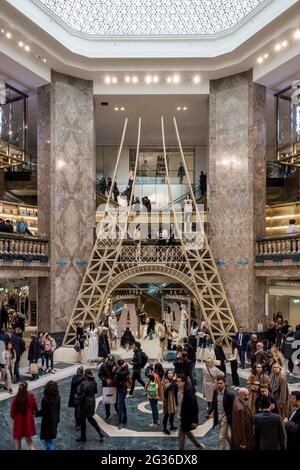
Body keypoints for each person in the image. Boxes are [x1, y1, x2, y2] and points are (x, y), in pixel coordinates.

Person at [176, 374, 205, 450]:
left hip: (186, 417)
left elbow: (195, 407)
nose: (177, 383)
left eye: (178, 381)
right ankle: (198, 446)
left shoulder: (189, 392)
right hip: (181, 414)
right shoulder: (178, 388)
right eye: (176, 381)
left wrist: (195, 421)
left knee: (181, 433)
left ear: (184, 382)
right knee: (187, 431)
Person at [75, 369, 105, 443]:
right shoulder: (94, 382)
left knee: (83, 420)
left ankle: (83, 437)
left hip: (84, 402)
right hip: (92, 401)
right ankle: (100, 433)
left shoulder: (83, 383)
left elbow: (79, 393)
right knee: (90, 418)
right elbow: (95, 391)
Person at [208, 376, 235, 450]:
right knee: (226, 434)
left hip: (225, 418)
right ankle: (233, 446)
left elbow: (233, 408)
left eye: (221, 383)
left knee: (221, 437)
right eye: (218, 383)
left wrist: (229, 418)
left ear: (224, 383)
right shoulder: (215, 391)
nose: (219, 385)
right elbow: (213, 403)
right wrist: (209, 412)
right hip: (219, 417)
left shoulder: (230, 394)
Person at [10, 381, 37, 450]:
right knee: (29, 441)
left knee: (18, 442)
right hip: (28, 421)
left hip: (18, 422)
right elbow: (34, 407)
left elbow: (12, 413)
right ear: (26, 388)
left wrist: (15, 418)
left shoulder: (15, 399)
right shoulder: (31, 396)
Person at [36, 381, 60, 450]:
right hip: (55, 421)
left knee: (48, 442)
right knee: (50, 440)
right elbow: (58, 409)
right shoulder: (58, 397)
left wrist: (36, 413)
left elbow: (43, 412)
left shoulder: (45, 399)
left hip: (47, 423)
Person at [98, 354, 117, 422]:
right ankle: (107, 415)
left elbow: (118, 374)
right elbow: (100, 374)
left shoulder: (116, 366)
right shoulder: (103, 366)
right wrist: (105, 380)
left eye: (112, 360)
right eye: (110, 360)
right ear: (108, 360)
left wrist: (113, 377)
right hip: (106, 385)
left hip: (114, 385)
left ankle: (117, 410)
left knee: (115, 400)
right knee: (107, 401)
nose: (111, 362)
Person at [68, 366, 85, 431]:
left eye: (80, 370)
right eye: (79, 370)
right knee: (77, 411)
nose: (79, 371)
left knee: (81, 411)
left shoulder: (83, 378)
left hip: (82, 397)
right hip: (76, 397)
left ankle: (80, 423)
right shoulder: (75, 377)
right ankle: (78, 424)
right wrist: (82, 378)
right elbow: (75, 382)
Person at [162, 369, 178, 435]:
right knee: (166, 415)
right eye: (169, 373)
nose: (170, 374)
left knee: (172, 414)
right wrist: (174, 380)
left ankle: (171, 426)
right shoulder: (164, 381)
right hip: (167, 401)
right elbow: (169, 387)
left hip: (173, 400)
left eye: (171, 373)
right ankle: (164, 429)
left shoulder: (173, 381)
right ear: (166, 374)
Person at [115, 359, 130, 429]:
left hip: (122, 390)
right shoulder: (123, 370)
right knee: (122, 404)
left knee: (119, 406)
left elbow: (118, 373)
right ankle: (125, 417)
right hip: (119, 389)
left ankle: (120, 422)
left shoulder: (125, 371)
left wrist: (120, 368)